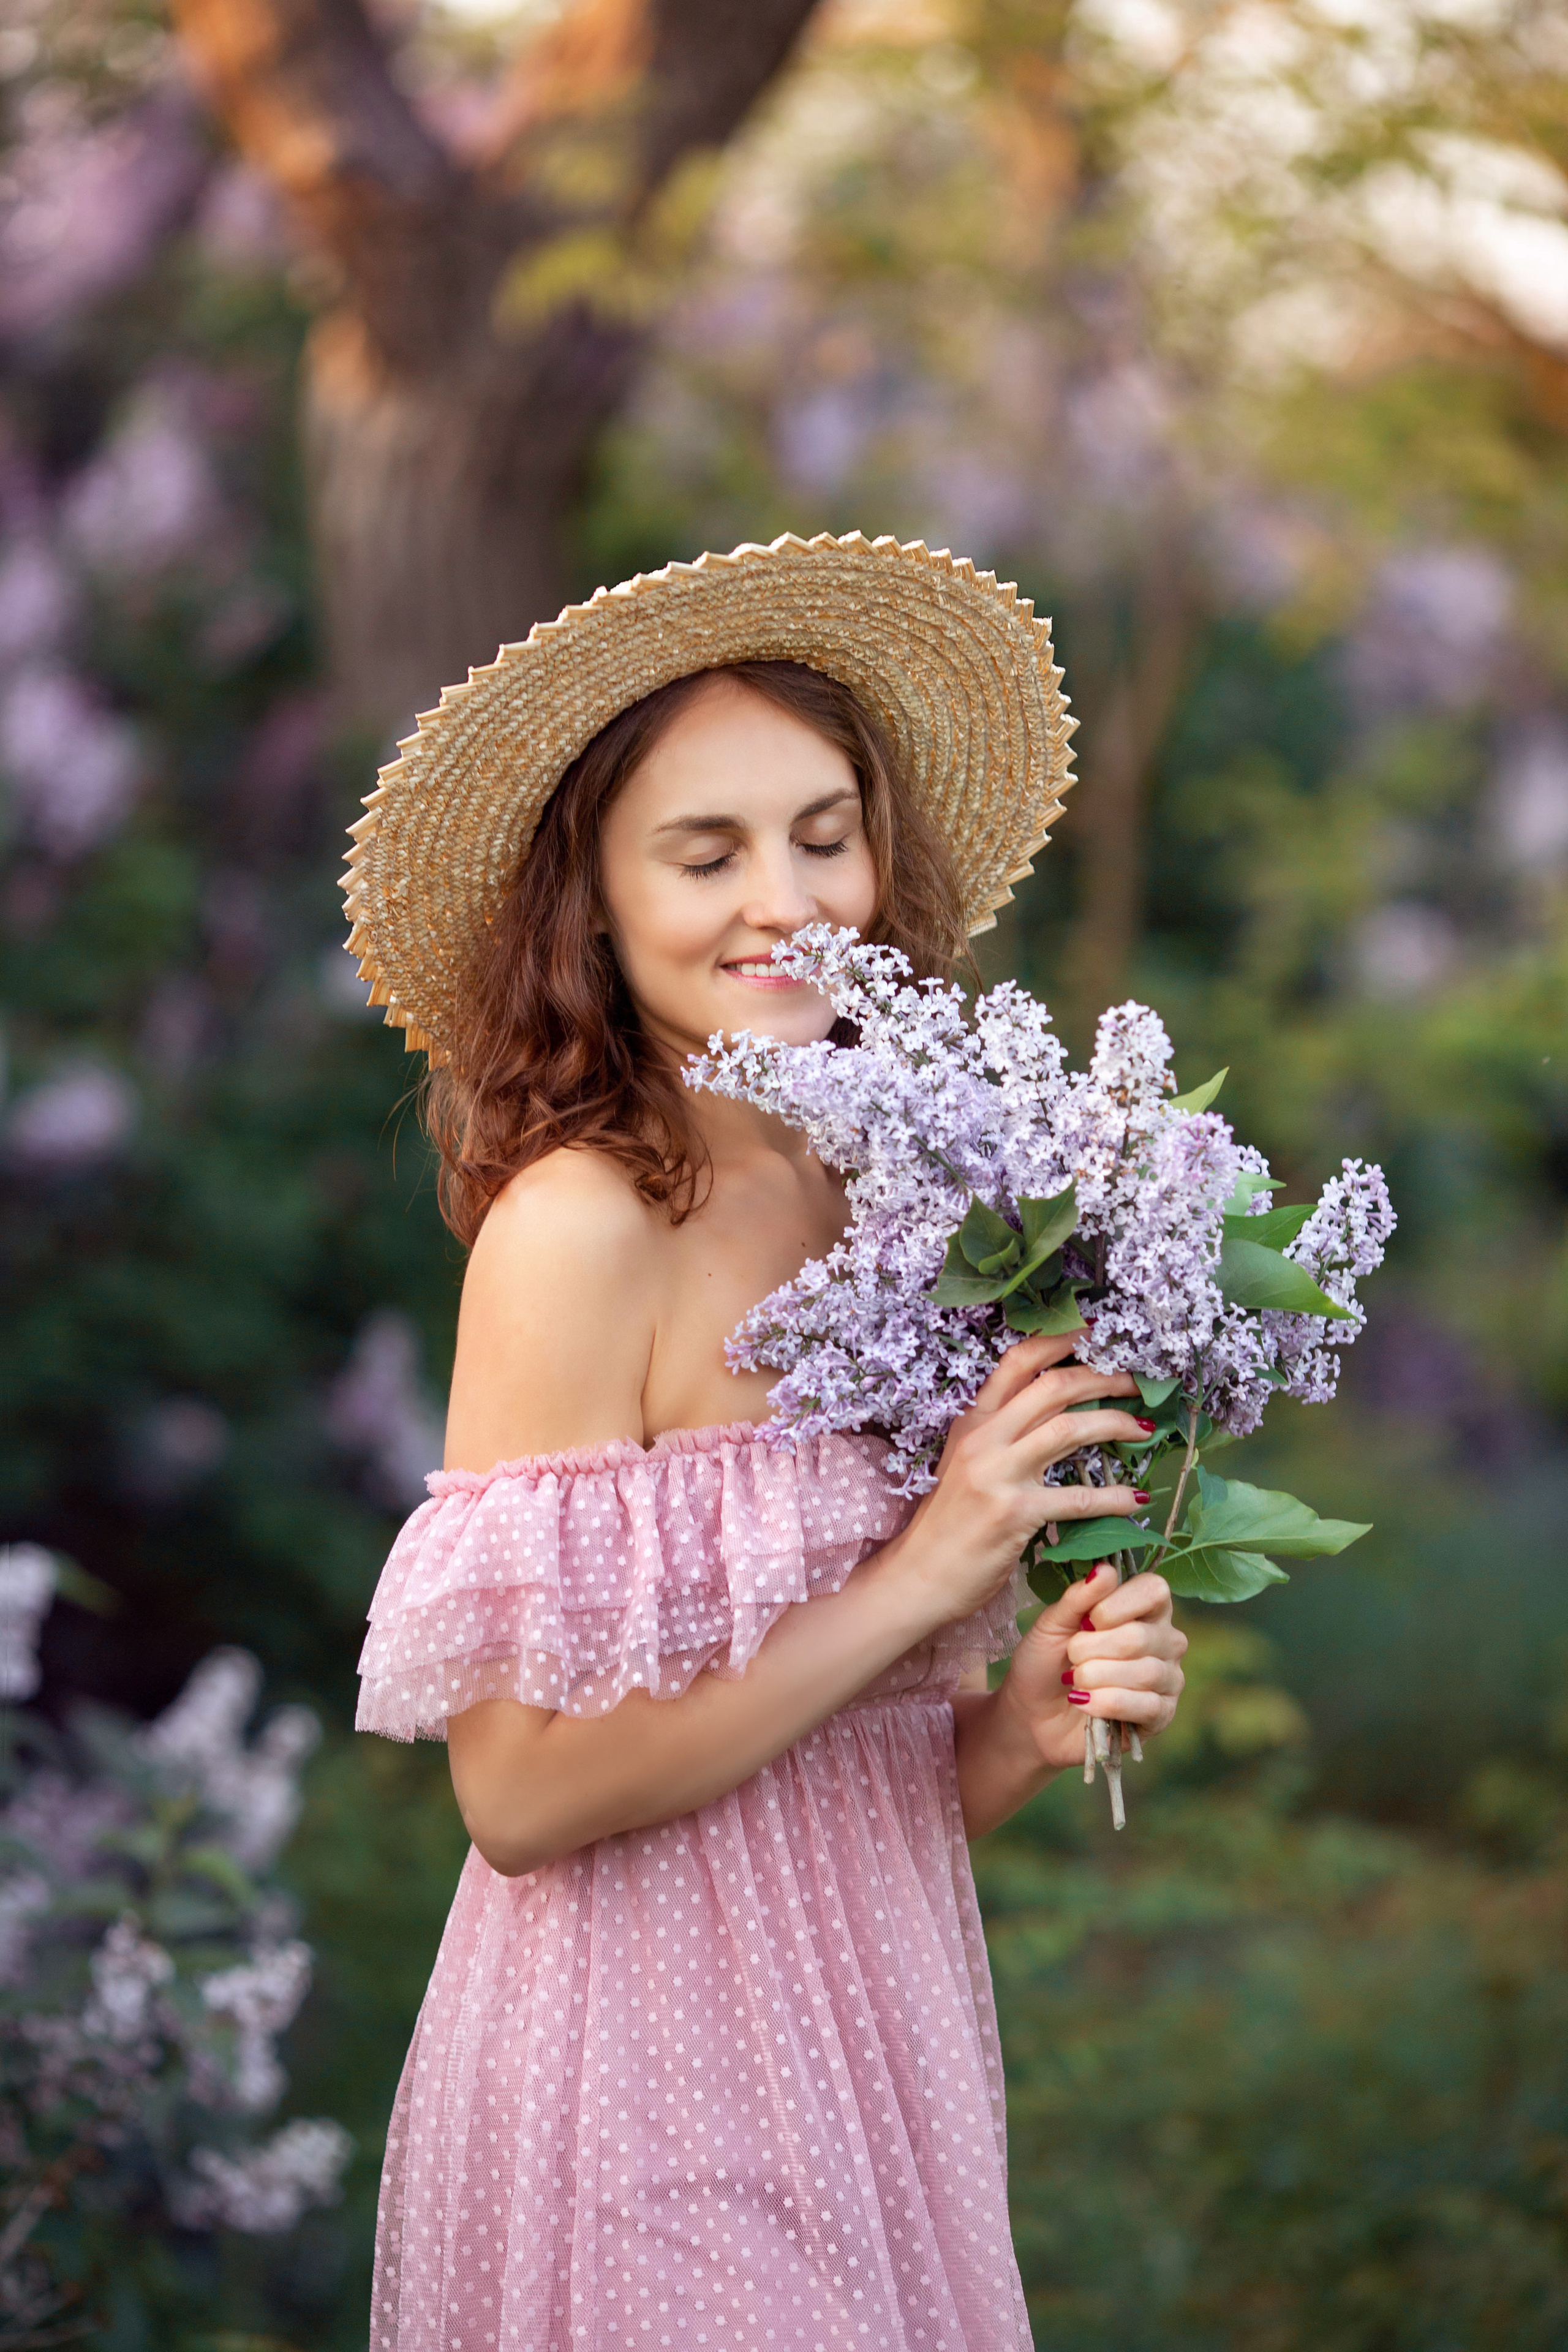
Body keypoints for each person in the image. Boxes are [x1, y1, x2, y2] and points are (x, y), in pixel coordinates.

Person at [349, 533, 1187, 2351]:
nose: (788, 901)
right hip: (643, 2095)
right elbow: (521, 1798)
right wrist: (924, 1579)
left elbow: (830, 1790)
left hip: (874, 2060)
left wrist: (1017, 1730)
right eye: (705, 851)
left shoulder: (907, 1206)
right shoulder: (581, 1230)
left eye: (825, 834)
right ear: (590, 899)